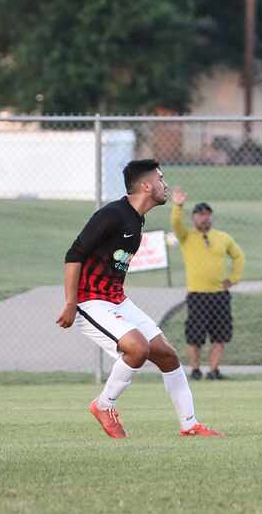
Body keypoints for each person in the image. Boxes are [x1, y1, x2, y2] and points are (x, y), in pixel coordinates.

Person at [56, 159, 222, 439]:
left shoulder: (137, 217)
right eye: (160, 179)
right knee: (138, 349)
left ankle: (189, 425)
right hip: (89, 301)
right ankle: (103, 405)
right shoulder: (111, 215)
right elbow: (74, 255)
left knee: (168, 356)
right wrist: (71, 302)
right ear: (146, 185)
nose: (165, 185)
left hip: (116, 299)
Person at [171, 188, 245, 380]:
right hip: (197, 294)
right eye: (200, 215)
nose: (204, 219)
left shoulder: (222, 238)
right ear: (194, 218)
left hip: (219, 294)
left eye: (207, 215)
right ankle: (195, 370)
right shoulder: (186, 236)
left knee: (220, 335)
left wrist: (233, 278)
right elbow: (175, 223)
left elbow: (238, 256)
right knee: (195, 336)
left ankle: (214, 370)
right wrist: (178, 206)